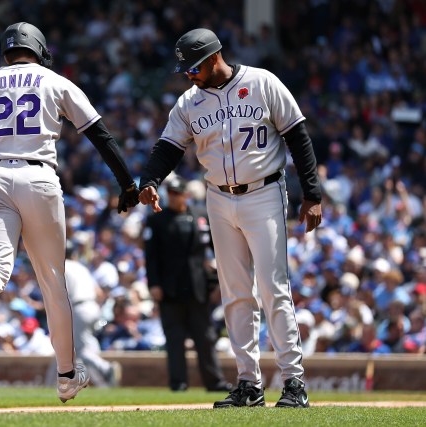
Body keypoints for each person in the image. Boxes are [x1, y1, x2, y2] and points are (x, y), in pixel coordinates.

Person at [0, 22, 140, 403]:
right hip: (39, 177)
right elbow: (100, 134)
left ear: (6, 52)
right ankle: (68, 377)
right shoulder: (54, 81)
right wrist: (127, 183)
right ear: (39, 49)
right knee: (53, 282)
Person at [138, 28, 322, 408]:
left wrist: (312, 193)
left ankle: (294, 382)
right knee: (236, 294)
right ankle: (248, 384)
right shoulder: (189, 102)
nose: (189, 74)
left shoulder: (261, 82)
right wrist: (151, 180)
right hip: (218, 198)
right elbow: (168, 148)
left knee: (273, 288)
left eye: (193, 67)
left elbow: (297, 135)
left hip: (265, 192)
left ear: (213, 58)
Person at [143, 175, 232, 392]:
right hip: (169, 288)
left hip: (197, 286)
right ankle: (178, 382)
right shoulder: (157, 220)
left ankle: (214, 381)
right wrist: (154, 284)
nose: (173, 197)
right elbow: (151, 256)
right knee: (174, 339)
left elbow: (216, 248)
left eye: (177, 193)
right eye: (170, 193)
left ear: (186, 195)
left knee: (206, 337)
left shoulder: (200, 216)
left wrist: (219, 280)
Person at [64, 240, 121, 387]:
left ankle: (106, 368)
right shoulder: (81, 267)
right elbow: (99, 292)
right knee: (88, 346)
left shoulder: (63, 267)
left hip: (79, 308)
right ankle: (102, 384)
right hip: (93, 307)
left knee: (79, 349)